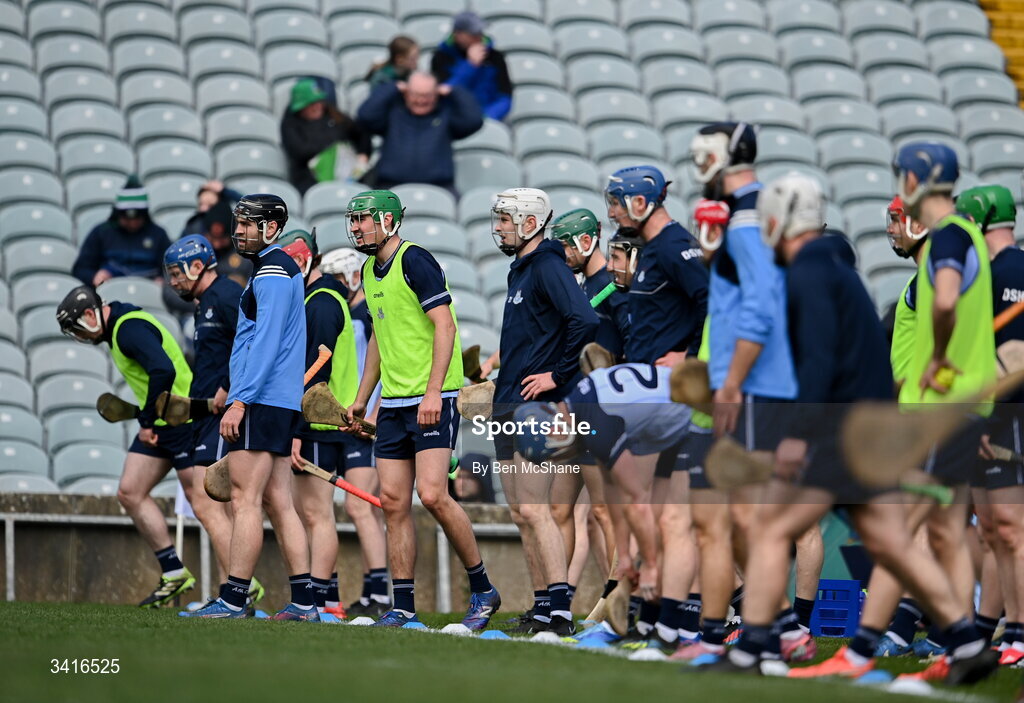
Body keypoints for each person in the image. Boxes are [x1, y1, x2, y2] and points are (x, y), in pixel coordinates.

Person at [697, 173, 999, 686]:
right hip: (869, 426)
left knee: (770, 529)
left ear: (776, 221)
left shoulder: (808, 272)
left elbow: (816, 361)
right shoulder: (832, 268)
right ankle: (968, 641)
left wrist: (797, 433)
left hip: (840, 430)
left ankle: (757, 647)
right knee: (892, 542)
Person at [686, 123, 819, 664]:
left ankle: (753, 637)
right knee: (737, 518)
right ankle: (780, 630)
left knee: (743, 518)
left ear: (717, 156)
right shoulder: (746, 214)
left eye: (701, 153)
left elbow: (761, 312)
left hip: (756, 391)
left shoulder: (744, 218)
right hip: (756, 388)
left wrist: (732, 383)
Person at [343, 189, 500, 630]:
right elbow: (378, 338)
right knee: (393, 503)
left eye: (363, 219)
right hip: (392, 403)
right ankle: (403, 607)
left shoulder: (416, 260)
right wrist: (362, 399)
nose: (356, 227)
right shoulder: (367, 271)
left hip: (433, 398)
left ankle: (484, 588)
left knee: (432, 495)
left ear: (389, 221)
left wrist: (434, 392)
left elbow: (445, 325)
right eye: (353, 220)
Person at [182, 194, 318, 621]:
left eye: (247, 224)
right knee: (279, 501)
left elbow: (266, 341)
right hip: (274, 399)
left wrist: (239, 400)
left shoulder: (274, 272)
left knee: (244, 500)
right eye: (238, 223)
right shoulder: (274, 269)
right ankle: (304, 603)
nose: (238, 230)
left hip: (261, 399)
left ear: (272, 228)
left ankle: (234, 599)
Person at [487, 188, 599, 637]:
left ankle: (559, 611)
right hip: (508, 400)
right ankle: (540, 607)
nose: (498, 228)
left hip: (535, 405)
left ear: (530, 224)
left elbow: (585, 320)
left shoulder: (549, 266)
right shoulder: (522, 270)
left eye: (505, 220)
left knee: (536, 510)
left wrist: (556, 374)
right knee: (520, 513)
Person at [56, 285, 196, 608]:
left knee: (204, 504)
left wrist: (146, 421)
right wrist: (150, 420)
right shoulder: (118, 326)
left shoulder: (127, 329)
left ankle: (241, 586)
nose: (79, 336)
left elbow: (164, 370)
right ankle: (174, 572)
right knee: (130, 491)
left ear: (90, 315)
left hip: (182, 421)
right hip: (161, 422)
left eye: (77, 328)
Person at [162, 234, 266, 606]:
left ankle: (240, 587)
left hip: (223, 414)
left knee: (206, 502)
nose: (173, 282)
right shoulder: (206, 301)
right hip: (206, 413)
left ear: (196, 265)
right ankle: (233, 587)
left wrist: (228, 387)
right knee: (211, 502)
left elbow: (250, 341)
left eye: (177, 273)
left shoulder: (223, 295)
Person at [955, 185, 1024, 665]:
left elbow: (1014, 356)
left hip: (1007, 416)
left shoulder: (1011, 271)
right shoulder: (991, 272)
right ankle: (1008, 629)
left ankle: (1019, 632)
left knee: (1012, 528)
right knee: (995, 531)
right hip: (992, 416)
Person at [278, 229, 361, 621]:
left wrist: (294, 429)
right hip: (319, 421)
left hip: (318, 422)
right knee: (313, 513)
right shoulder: (321, 296)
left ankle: (315, 602)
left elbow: (316, 370)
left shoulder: (322, 300)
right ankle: (325, 600)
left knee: (315, 515)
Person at [319, 246, 390, 616]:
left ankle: (379, 592)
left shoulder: (366, 311)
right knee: (362, 509)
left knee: (360, 507)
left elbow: (377, 365)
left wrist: (373, 412)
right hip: (352, 418)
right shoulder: (349, 310)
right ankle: (374, 591)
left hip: (363, 418)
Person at [605, 165, 708, 367]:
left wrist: (689, 357)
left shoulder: (673, 247)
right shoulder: (654, 245)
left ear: (639, 203)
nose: (611, 213)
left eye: (616, 203)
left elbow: (712, 302)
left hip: (668, 385)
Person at [356, 72, 483, 197]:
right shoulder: (393, 112)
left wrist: (453, 91)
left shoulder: (446, 115)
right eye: (415, 95)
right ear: (406, 93)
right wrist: (392, 88)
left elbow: (474, 120)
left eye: (427, 95)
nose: (421, 100)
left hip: (440, 188)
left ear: (437, 94)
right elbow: (365, 116)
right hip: (390, 186)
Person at [72, 174, 171, 287]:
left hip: (148, 294)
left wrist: (163, 280)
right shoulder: (101, 232)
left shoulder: (158, 234)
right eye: (126, 218)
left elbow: (171, 269)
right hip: (108, 294)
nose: (132, 223)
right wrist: (94, 276)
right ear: (117, 214)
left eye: (137, 218)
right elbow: (80, 269)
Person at [281, 78, 372, 195]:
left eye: (319, 101)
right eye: (311, 103)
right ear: (300, 107)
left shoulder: (333, 115)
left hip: (347, 176)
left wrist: (363, 155)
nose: (318, 106)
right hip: (310, 180)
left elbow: (361, 134)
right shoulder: (290, 125)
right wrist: (332, 141)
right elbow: (300, 152)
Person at [431, 11, 512, 121]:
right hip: (455, 120)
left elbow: (505, 97)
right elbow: (445, 93)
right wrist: (470, 65)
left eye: (480, 33)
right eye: (473, 34)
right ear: (457, 35)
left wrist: (486, 118)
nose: (479, 37)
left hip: (489, 120)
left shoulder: (495, 57)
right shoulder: (441, 57)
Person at [180, 180, 251, 286]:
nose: (204, 209)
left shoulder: (235, 228)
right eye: (201, 204)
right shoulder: (193, 228)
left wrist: (225, 191)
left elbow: (252, 208)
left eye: (210, 205)